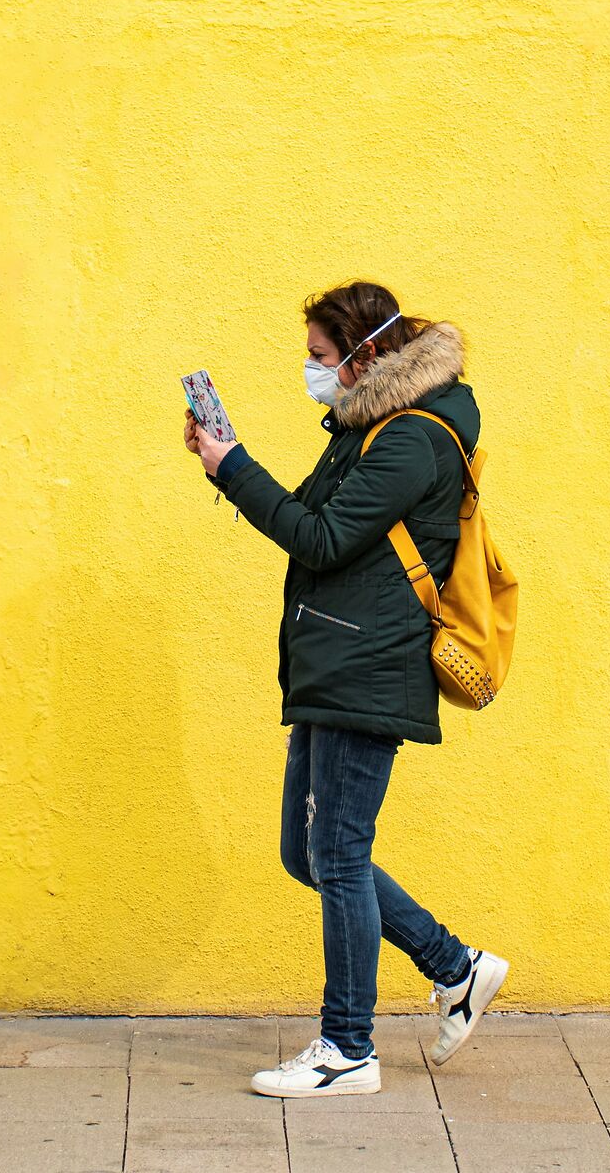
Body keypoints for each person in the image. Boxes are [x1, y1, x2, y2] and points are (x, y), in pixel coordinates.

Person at [184, 280, 509, 1098]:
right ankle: (455, 966)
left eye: (321, 357)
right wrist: (230, 466)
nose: (311, 371)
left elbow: (321, 539)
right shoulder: (365, 427)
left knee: (337, 852)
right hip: (335, 662)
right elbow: (308, 515)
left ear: (366, 356)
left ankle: (348, 1048)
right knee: (312, 853)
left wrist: (232, 468)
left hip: (372, 666)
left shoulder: (413, 441)